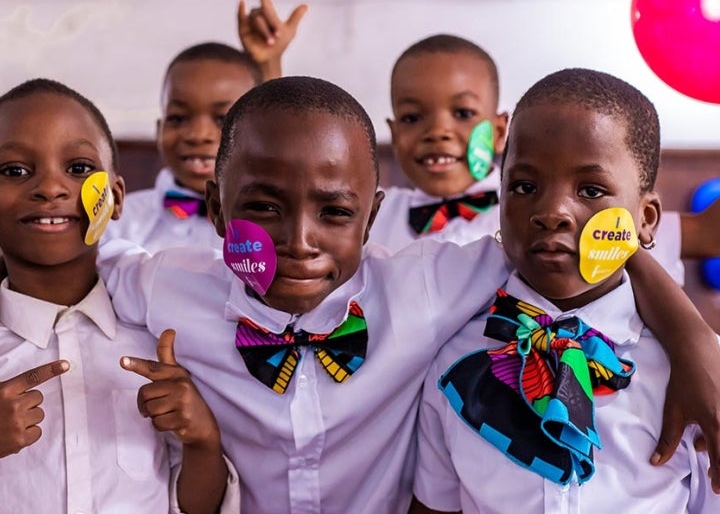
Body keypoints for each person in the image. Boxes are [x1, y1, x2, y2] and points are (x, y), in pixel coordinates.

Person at [98, 76, 720, 513]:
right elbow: (76, 253)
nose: (299, 240)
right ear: (215, 211)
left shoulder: (421, 288)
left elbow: (585, 246)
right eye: (262, 209)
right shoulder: (169, 289)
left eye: (335, 213)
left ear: (371, 218)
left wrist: (694, 343)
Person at [410, 68, 720, 513]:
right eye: (524, 187)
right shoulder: (453, 360)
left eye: (591, 189)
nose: (552, 212)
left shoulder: (695, 380)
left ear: (646, 218)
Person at [0, 79, 237, 513]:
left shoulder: (161, 342)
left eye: (78, 168)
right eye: (14, 171)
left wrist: (202, 439)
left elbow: (194, 505)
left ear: (116, 198)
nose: (51, 188)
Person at [372, 34, 694, 283]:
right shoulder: (374, 213)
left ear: (500, 132)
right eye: (413, 118)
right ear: (393, 132)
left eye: (463, 113)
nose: (438, 131)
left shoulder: (531, 212)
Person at [105, 0, 307, 254]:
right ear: (159, 129)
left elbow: (277, 137)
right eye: (178, 118)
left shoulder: (281, 226)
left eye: (222, 119)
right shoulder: (118, 225)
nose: (198, 134)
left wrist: (269, 65)